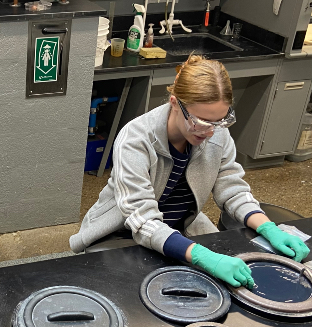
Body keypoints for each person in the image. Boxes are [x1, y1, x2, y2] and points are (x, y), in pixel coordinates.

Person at [70, 55, 309, 287]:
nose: (210, 132)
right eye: (201, 122)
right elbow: (142, 222)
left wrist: (269, 228)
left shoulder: (215, 132)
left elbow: (232, 190)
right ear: (175, 103)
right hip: (122, 232)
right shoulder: (136, 139)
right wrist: (203, 256)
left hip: (180, 227)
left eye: (220, 121)